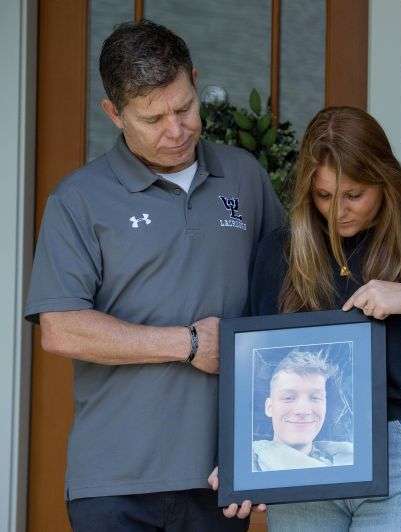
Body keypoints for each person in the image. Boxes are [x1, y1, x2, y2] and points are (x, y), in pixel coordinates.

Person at [24, 20, 284, 531]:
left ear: (194, 78)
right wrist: (188, 344)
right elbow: (61, 328)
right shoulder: (79, 199)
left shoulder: (245, 177)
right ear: (115, 114)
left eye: (185, 107)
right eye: (153, 117)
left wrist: (393, 217)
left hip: (218, 476)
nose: (176, 129)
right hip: (116, 480)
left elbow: (293, 288)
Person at [212, 105, 401, 530]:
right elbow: (259, 366)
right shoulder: (281, 253)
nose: (338, 210)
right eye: (324, 196)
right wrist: (241, 459)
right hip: (303, 449)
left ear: (385, 182)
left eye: (354, 195)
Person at [253, 349, 353, 471]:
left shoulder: (354, 459)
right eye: (288, 397)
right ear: (269, 407)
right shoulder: (246, 465)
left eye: (315, 397)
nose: (303, 410)